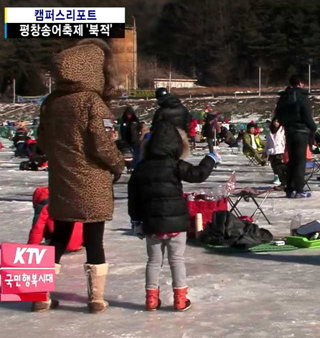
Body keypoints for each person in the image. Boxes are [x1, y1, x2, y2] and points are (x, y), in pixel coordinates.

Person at [36, 39, 125, 313]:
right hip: (92, 182)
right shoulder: (92, 102)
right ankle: (96, 298)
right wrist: (118, 164)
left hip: (62, 180)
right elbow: (103, 143)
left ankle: (41, 294)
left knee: (59, 236)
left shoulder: (52, 103)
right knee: (94, 239)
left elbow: (42, 141)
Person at [129, 119, 219, 312]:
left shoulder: (141, 167)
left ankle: (151, 300)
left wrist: (136, 220)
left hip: (152, 223)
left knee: (153, 261)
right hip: (176, 224)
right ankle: (180, 299)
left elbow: (134, 198)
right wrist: (210, 158)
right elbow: (198, 174)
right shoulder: (175, 165)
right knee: (176, 260)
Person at [273, 75, 317, 198]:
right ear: (300, 83)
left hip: (289, 130)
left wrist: (285, 124)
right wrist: (313, 128)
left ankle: (290, 188)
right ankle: (299, 189)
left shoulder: (284, 97)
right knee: (300, 161)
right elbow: (306, 115)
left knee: (291, 160)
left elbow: (278, 114)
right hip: (301, 131)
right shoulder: (302, 97)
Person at [264, 118, 287, 190]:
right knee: (275, 169)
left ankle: (284, 183)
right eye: (275, 121)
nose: (276, 123)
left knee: (280, 168)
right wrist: (265, 151)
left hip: (280, 152)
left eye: (277, 121)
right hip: (272, 152)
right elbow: (267, 143)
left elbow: (285, 141)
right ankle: (282, 182)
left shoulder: (283, 130)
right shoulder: (270, 131)